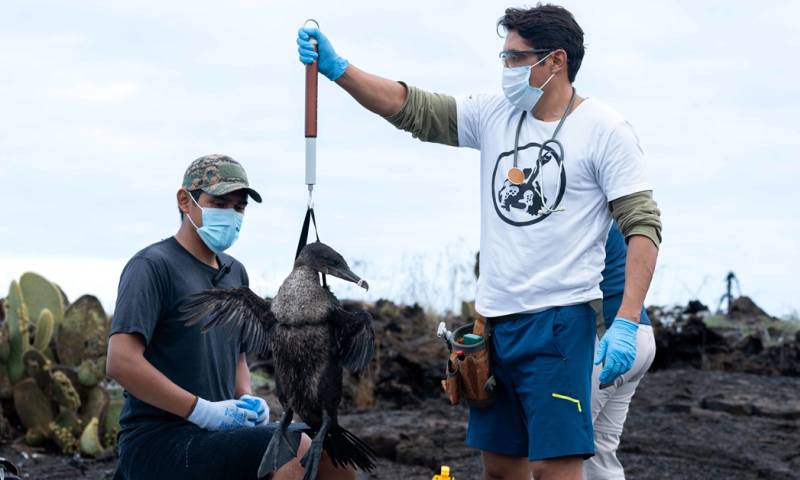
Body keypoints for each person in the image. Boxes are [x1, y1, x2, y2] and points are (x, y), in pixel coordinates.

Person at [296, 4, 662, 480]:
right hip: (494, 326)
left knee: (555, 470)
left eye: (515, 58)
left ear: (555, 61)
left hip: (560, 323)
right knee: (501, 469)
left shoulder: (606, 130)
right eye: (504, 56)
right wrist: (340, 71)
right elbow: (413, 108)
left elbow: (643, 225)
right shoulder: (495, 113)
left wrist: (628, 322)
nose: (505, 68)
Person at [106, 155, 354, 480]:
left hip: (215, 437)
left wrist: (247, 398)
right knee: (291, 451)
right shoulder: (152, 266)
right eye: (219, 202)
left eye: (239, 207)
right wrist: (202, 410)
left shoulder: (235, 273)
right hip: (159, 441)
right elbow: (121, 362)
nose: (231, 214)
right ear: (185, 200)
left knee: (335, 452)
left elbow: (237, 359)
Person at [584, 223, 656, 479]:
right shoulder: (608, 219)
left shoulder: (581, 219)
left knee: (558, 450)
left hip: (605, 340)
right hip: (640, 334)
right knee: (601, 450)